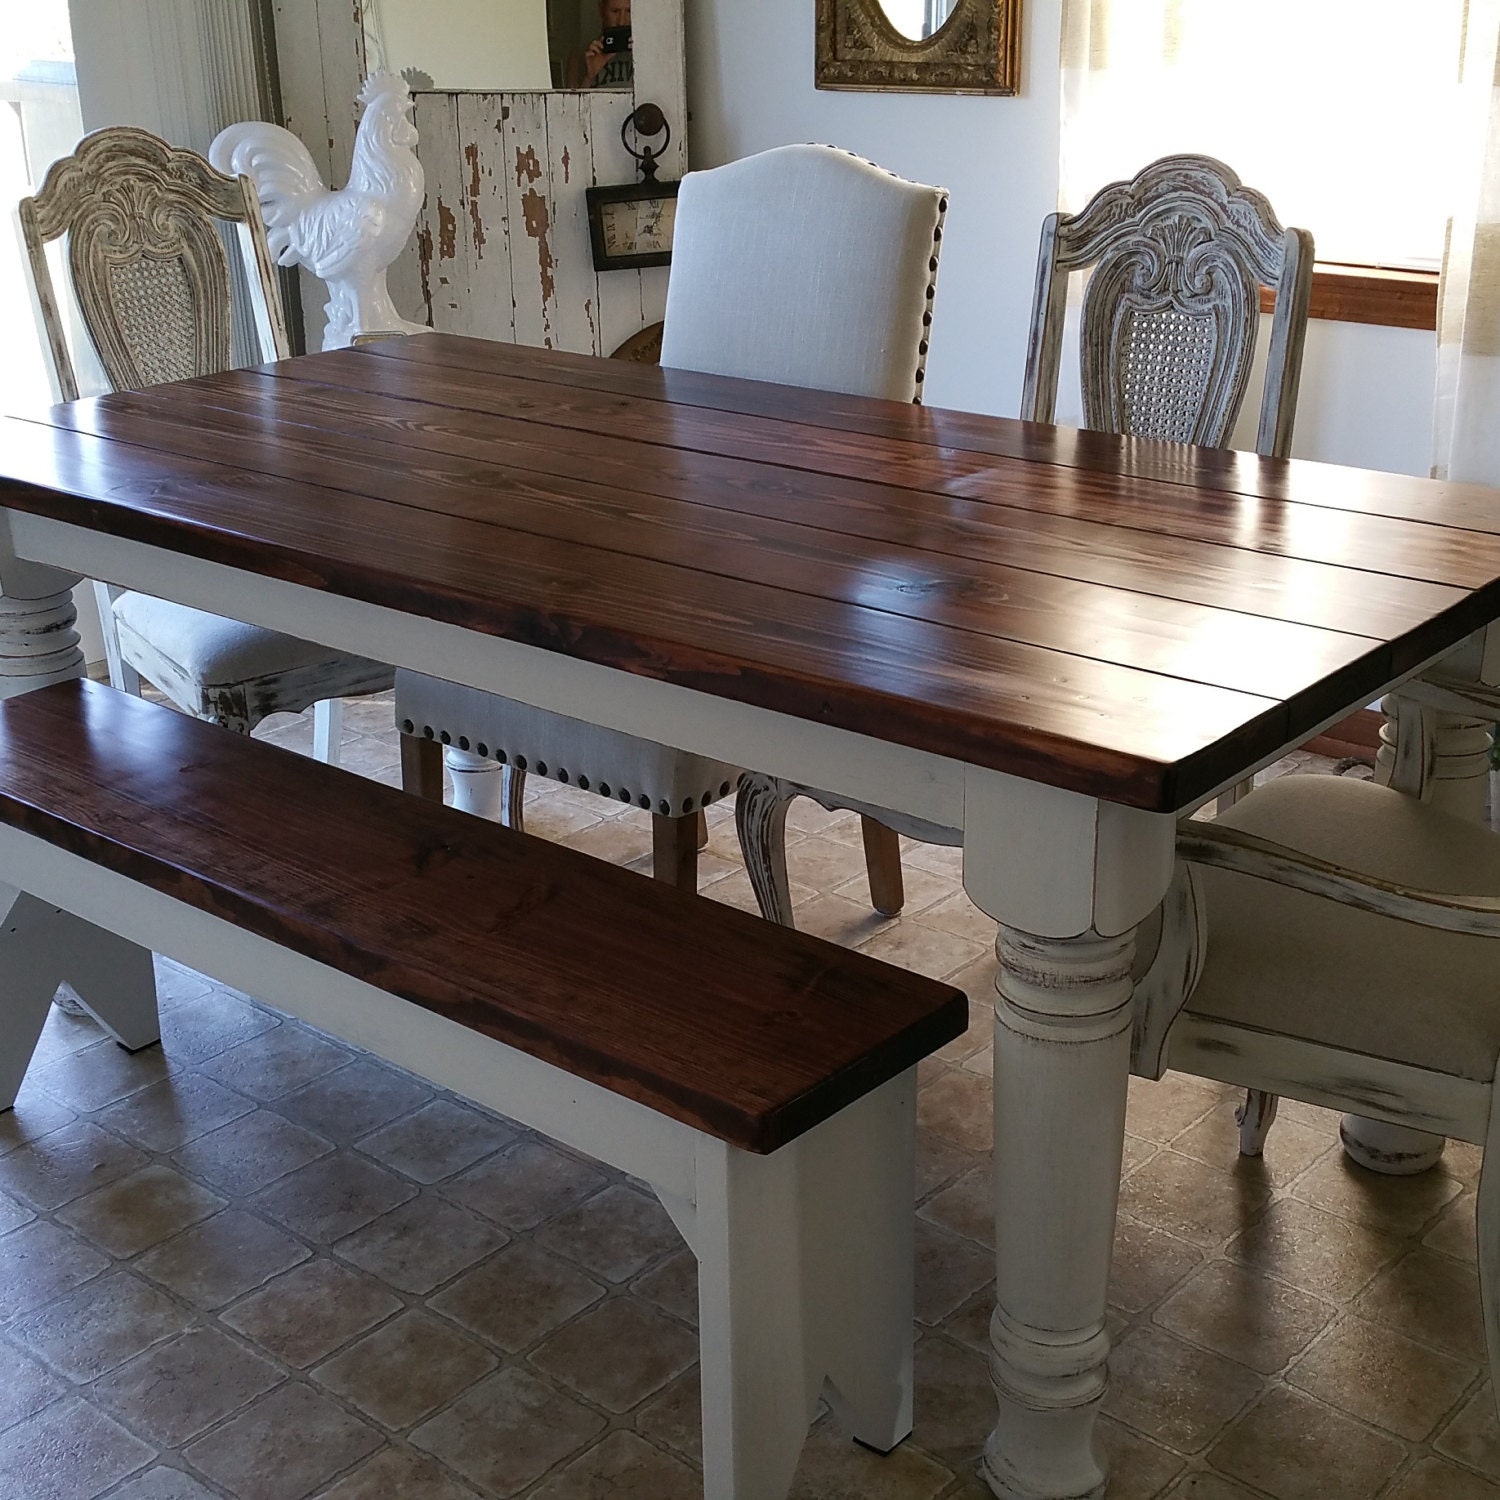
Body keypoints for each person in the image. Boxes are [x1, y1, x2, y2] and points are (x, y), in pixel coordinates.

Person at [582, 0, 632, 88]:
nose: (621, 22)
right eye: (615, 11)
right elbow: (570, 100)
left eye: (629, 11)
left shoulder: (650, 52)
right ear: (601, 10)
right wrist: (589, 77)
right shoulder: (581, 54)